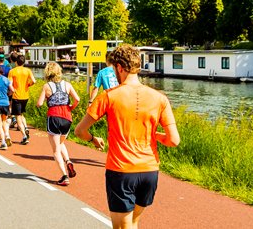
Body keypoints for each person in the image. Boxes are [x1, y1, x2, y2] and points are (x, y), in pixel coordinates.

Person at [74, 44, 180, 229]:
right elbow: (173, 140)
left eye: (114, 68)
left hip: (121, 170)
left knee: (122, 227)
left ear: (119, 67)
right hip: (149, 171)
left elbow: (79, 131)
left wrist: (92, 139)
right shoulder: (160, 98)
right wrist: (153, 135)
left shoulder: (108, 96)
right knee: (133, 222)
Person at [36, 62, 81, 186]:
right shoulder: (67, 84)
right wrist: (71, 107)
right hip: (67, 116)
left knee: (56, 150)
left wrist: (42, 102)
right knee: (61, 143)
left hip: (54, 116)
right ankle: (68, 161)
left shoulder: (47, 86)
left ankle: (64, 176)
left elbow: (39, 104)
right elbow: (77, 99)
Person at [8, 55, 35, 145]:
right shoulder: (28, 70)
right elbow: (34, 81)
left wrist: (11, 91)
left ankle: (24, 136)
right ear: (24, 62)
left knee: (18, 116)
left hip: (16, 96)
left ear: (16, 62)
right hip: (25, 96)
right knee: (22, 114)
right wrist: (28, 85)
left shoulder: (12, 71)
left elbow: (10, 84)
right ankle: (26, 127)